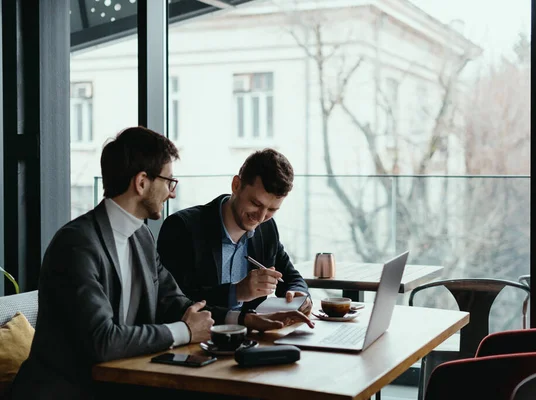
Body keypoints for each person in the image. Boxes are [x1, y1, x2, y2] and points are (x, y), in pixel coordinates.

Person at [10, 128, 313, 400]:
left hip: (123, 382)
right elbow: (101, 341)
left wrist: (243, 321)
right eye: (169, 181)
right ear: (142, 182)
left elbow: (173, 300)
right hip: (69, 390)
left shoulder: (140, 236)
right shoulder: (77, 244)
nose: (173, 191)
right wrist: (184, 331)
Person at [157, 148, 312, 320]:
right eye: (256, 203)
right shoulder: (183, 228)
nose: (260, 218)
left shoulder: (267, 229)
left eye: (272, 210)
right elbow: (175, 302)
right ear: (236, 185)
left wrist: (299, 293)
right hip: (200, 339)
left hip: (252, 338)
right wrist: (236, 292)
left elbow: (290, 276)